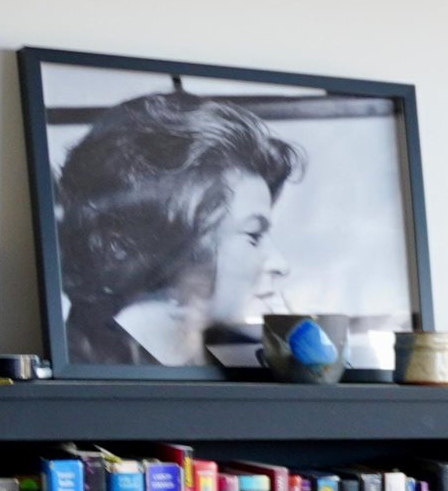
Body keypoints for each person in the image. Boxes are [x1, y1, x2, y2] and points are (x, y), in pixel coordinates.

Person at [54, 91, 300, 366]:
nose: (281, 265)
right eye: (253, 236)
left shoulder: (219, 365)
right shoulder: (84, 378)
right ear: (161, 250)